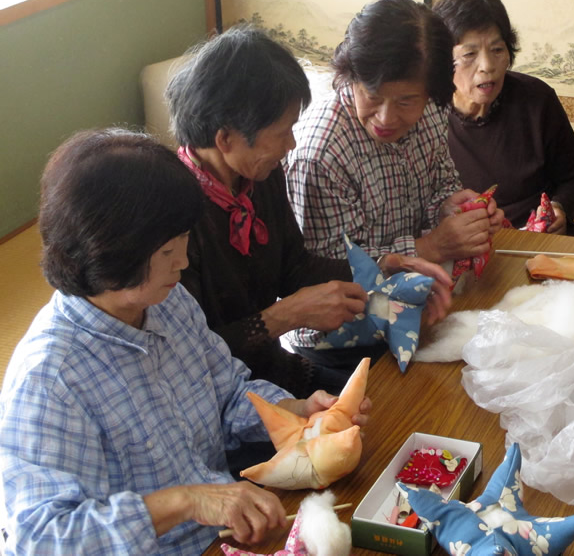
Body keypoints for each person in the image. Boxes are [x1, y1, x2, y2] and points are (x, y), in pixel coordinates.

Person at [0, 129, 371, 554]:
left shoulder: (168, 301)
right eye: (166, 252)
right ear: (108, 253)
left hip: (224, 538)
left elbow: (228, 391)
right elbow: (39, 538)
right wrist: (186, 501)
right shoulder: (49, 377)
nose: (184, 261)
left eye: (184, 241)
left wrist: (297, 412)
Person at [166, 26, 452, 391]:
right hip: (224, 397)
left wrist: (380, 269)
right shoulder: (172, 219)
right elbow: (185, 358)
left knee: (404, 398)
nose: (292, 144)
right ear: (226, 138)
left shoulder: (260, 178)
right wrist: (283, 317)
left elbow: (295, 268)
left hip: (277, 372)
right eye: (282, 132)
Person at [286, 0, 506, 265]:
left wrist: (451, 210)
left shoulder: (433, 110)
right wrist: (430, 247)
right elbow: (328, 268)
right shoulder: (321, 153)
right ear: (351, 77)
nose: (386, 119)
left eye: (406, 101)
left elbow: (442, 183)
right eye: (373, 96)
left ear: (430, 93)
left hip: (424, 287)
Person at [433, 0, 574, 236]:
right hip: (463, 245)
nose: (487, 66)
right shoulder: (425, 114)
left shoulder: (537, 100)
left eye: (497, 50)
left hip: (537, 238)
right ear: (443, 62)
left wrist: (559, 207)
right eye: (469, 54)